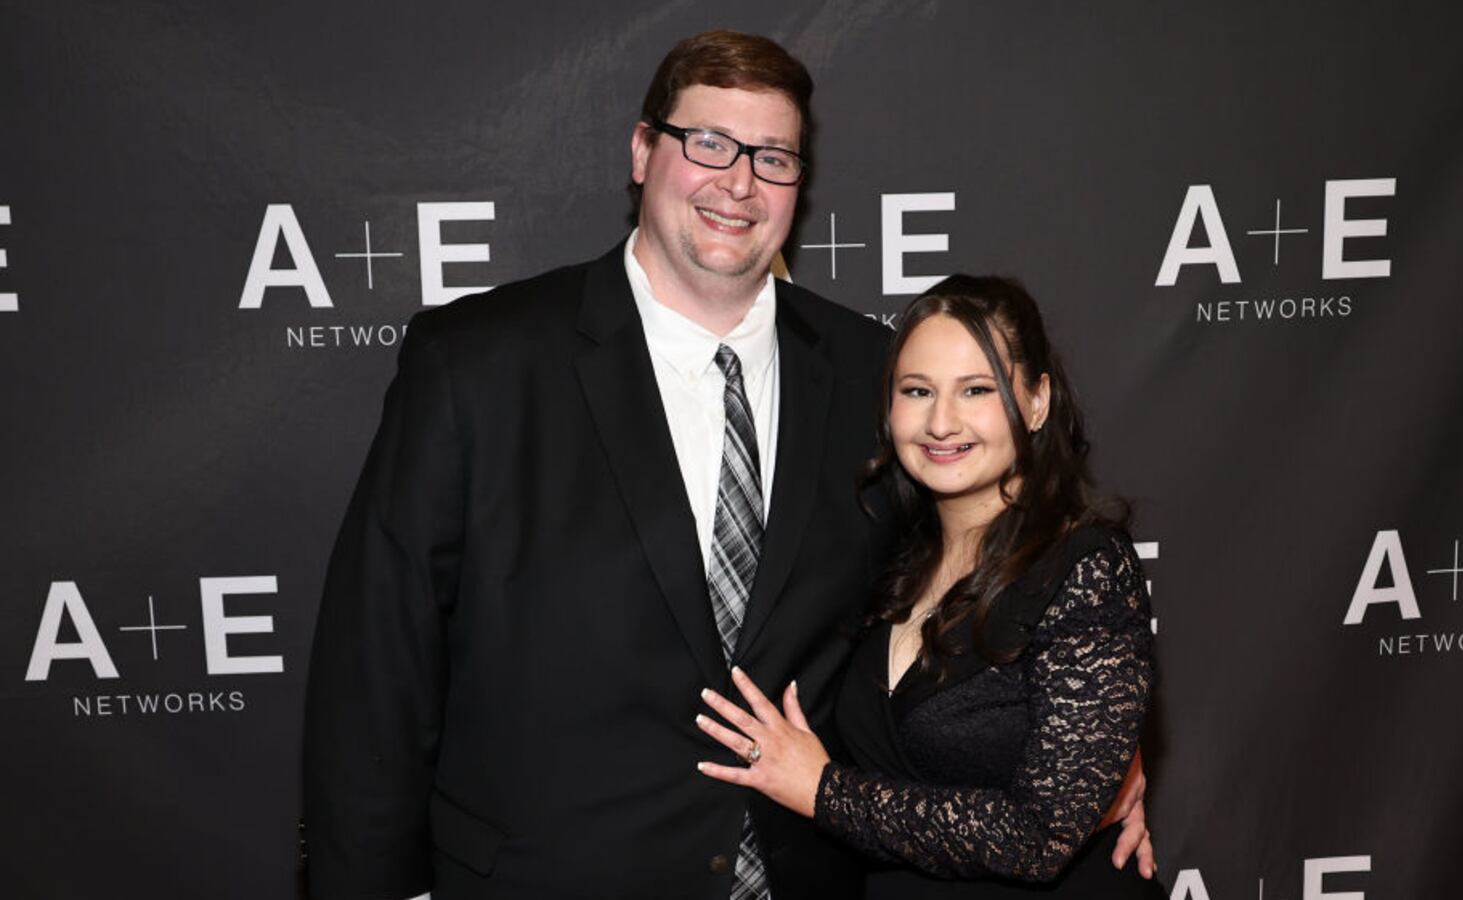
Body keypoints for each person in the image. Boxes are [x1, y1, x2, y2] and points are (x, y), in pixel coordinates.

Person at [302, 30, 1152, 900]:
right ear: (642, 151)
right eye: (708, 142)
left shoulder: (875, 374)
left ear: (799, 187)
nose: (739, 181)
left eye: (773, 158)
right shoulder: (480, 362)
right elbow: (377, 666)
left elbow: (981, 587)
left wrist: (1091, 758)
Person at [696, 275, 1163, 898]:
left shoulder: (1085, 569)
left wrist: (823, 790)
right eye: (917, 391)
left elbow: (1040, 837)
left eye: (977, 389)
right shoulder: (886, 556)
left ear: (1037, 400)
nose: (941, 422)